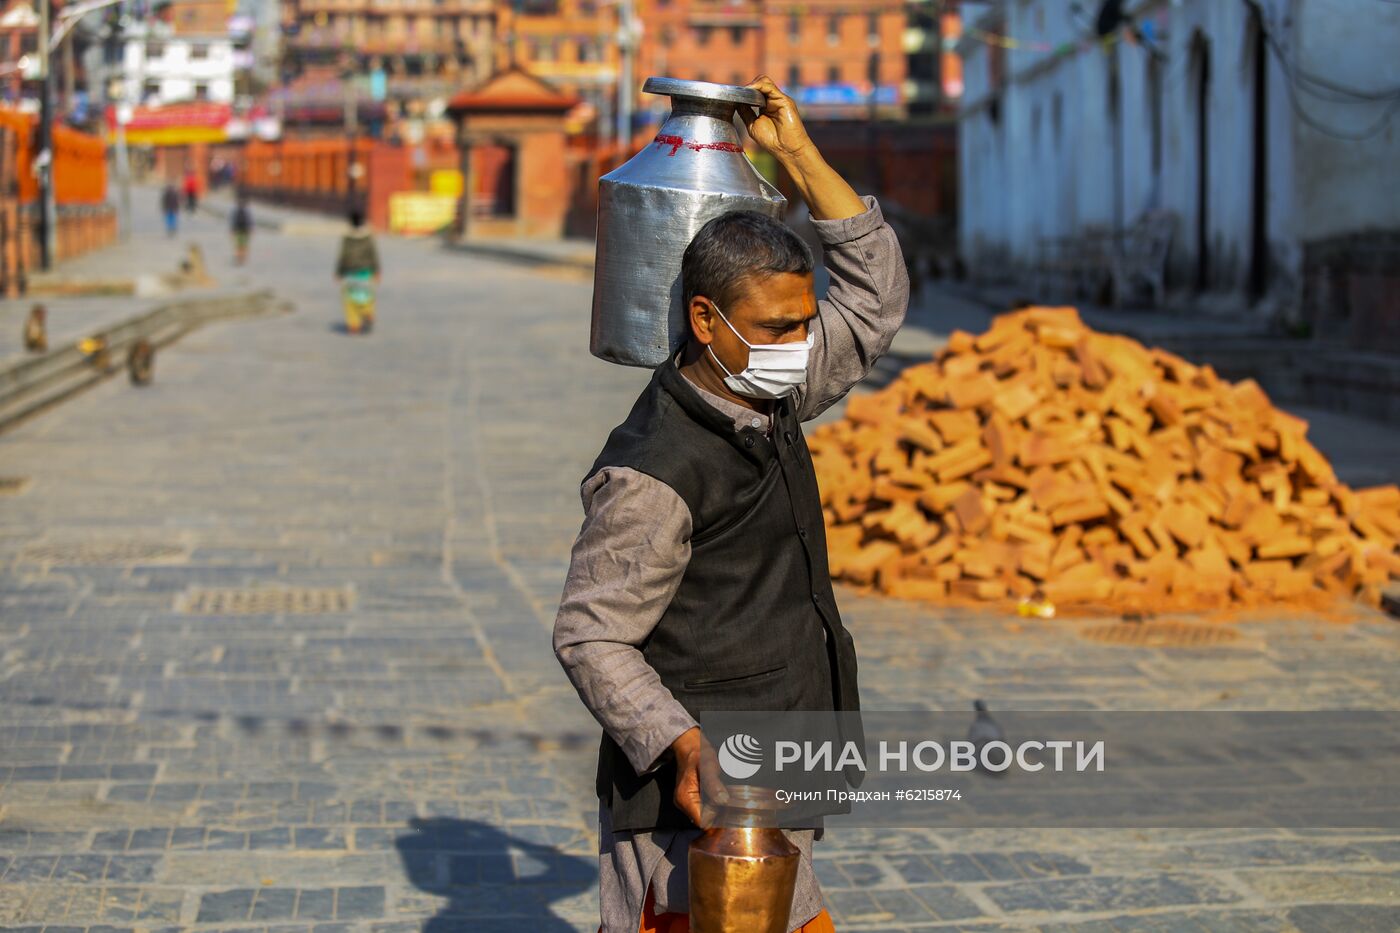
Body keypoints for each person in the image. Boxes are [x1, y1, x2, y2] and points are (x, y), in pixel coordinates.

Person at [553, 76, 909, 933]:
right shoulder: (654, 472)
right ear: (706, 321)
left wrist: (797, 156)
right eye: (778, 327)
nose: (800, 344)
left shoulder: (768, 392)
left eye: (802, 321)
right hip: (694, 819)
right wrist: (683, 746)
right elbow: (591, 633)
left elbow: (874, 301)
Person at [334, 209, 380, 334]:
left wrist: (338, 272)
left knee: (350, 299)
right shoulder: (368, 238)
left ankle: (353, 324)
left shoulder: (347, 238)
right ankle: (367, 312)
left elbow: (343, 256)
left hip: (350, 272)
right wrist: (376, 271)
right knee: (366, 296)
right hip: (365, 273)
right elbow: (373, 254)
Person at [230, 195, 252, 266]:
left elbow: (233, 221)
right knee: (243, 245)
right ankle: (242, 257)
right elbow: (249, 221)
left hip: (238, 230)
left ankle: (239, 257)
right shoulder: (246, 212)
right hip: (245, 230)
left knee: (239, 245)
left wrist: (232, 230)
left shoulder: (236, 212)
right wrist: (250, 229)